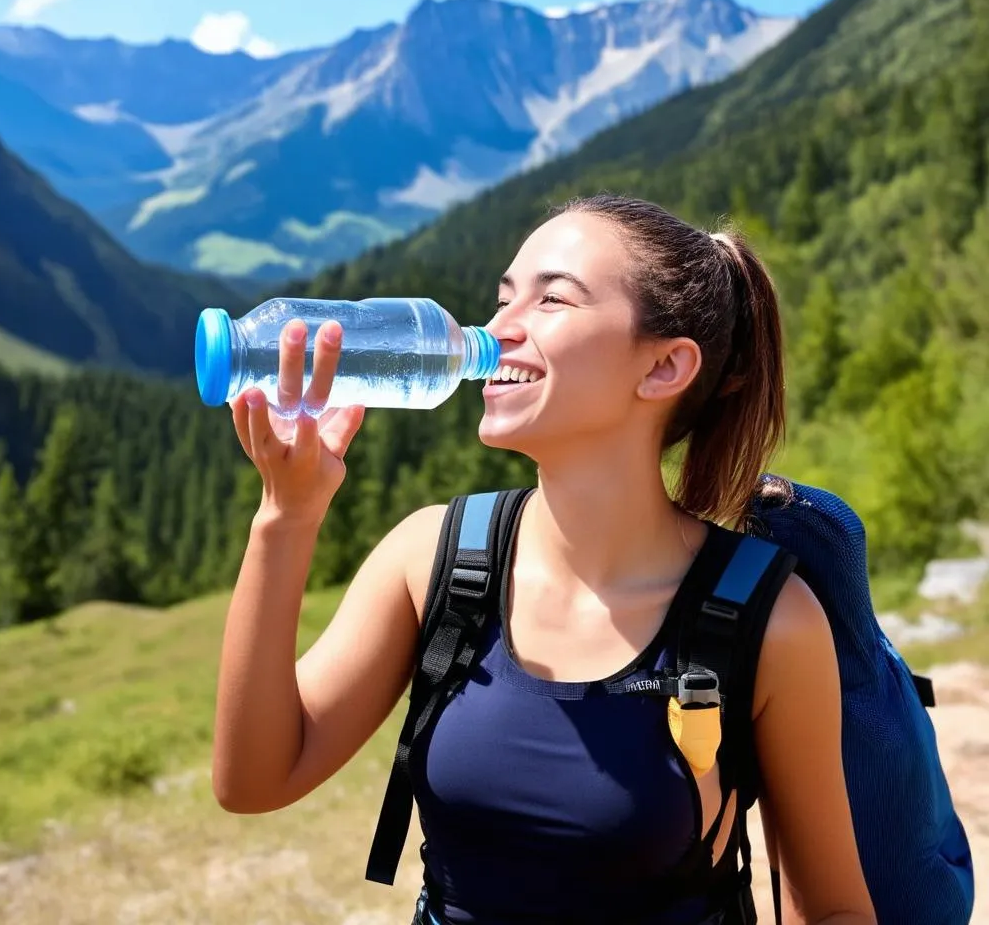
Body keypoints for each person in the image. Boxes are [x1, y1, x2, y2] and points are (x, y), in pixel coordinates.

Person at [211, 194, 877, 925]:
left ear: (663, 367)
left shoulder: (767, 622)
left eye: (552, 299)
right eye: (502, 300)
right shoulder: (433, 557)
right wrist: (287, 516)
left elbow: (836, 909)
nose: (497, 330)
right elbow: (252, 780)